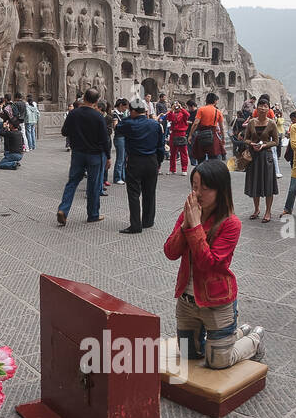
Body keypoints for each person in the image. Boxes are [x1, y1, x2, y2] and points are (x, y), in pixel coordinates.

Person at [164, 161, 244, 366]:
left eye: (205, 188)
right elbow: (170, 252)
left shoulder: (231, 223)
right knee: (189, 355)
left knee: (218, 361)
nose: (197, 193)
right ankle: (233, 334)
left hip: (217, 303)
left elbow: (208, 264)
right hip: (186, 302)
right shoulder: (187, 215)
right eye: (194, 186)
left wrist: (195, 226)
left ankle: (252, 340)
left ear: (221, 190)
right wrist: (185, 225)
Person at [57, 90, 113, 226]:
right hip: (95, 154)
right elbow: (104, 139)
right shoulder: (98, 116)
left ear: (84, 98)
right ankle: (93, 214)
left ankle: (63, 209)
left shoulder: (73, 114)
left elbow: (64, 132)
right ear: (96, 100)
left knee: (72, 182)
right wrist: (108, 156)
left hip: (78, 153)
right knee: (93, 185)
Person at [118, 100, 168, 233]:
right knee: (150, 192)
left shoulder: (128, 123)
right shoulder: (155, 124)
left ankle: (135, 224)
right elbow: (160, 145)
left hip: (135, 161)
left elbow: (118, 128)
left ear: (133, 111)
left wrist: (129, 117)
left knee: (134, 193)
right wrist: (159, 161)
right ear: (145, 111)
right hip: (152, 160)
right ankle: (148, 220)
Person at [239, 106, 281, 222]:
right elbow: (245, 139)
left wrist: (265, 145)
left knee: (268, 183)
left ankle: (268, 211)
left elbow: (276, 141)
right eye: (260, 106)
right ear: (257, 108)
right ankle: (256, 209)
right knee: (254, 182)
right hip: (253, 157)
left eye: (265, 106)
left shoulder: (272, 123)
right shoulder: (252, 122)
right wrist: (252, 143)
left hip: (266, 157)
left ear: (268, 109)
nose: (262, 108)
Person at [0, 93, 27, 171]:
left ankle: (11, 160)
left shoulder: (7, 106)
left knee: (7, 140)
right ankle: (13, 159)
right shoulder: (14, 105)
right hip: (16, 123)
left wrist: (5, 126)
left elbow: (1, 132)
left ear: (5, 99)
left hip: (10, 125)